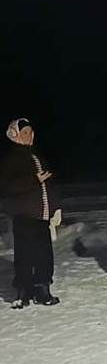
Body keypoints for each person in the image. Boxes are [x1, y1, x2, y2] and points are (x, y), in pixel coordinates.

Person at [0, 119, 62, 307]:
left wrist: (56, 207)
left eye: (30, 132)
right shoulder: (10, 159)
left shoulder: (38, 157)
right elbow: (7, 187)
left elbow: (50, 184)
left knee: (44, 254)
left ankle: (43, 290)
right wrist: (34, 179)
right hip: (24, 215)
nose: (28, 135)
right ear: (15, 135)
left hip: (42, 216)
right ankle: (22, 292)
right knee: (24, 255)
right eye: (24, 132)